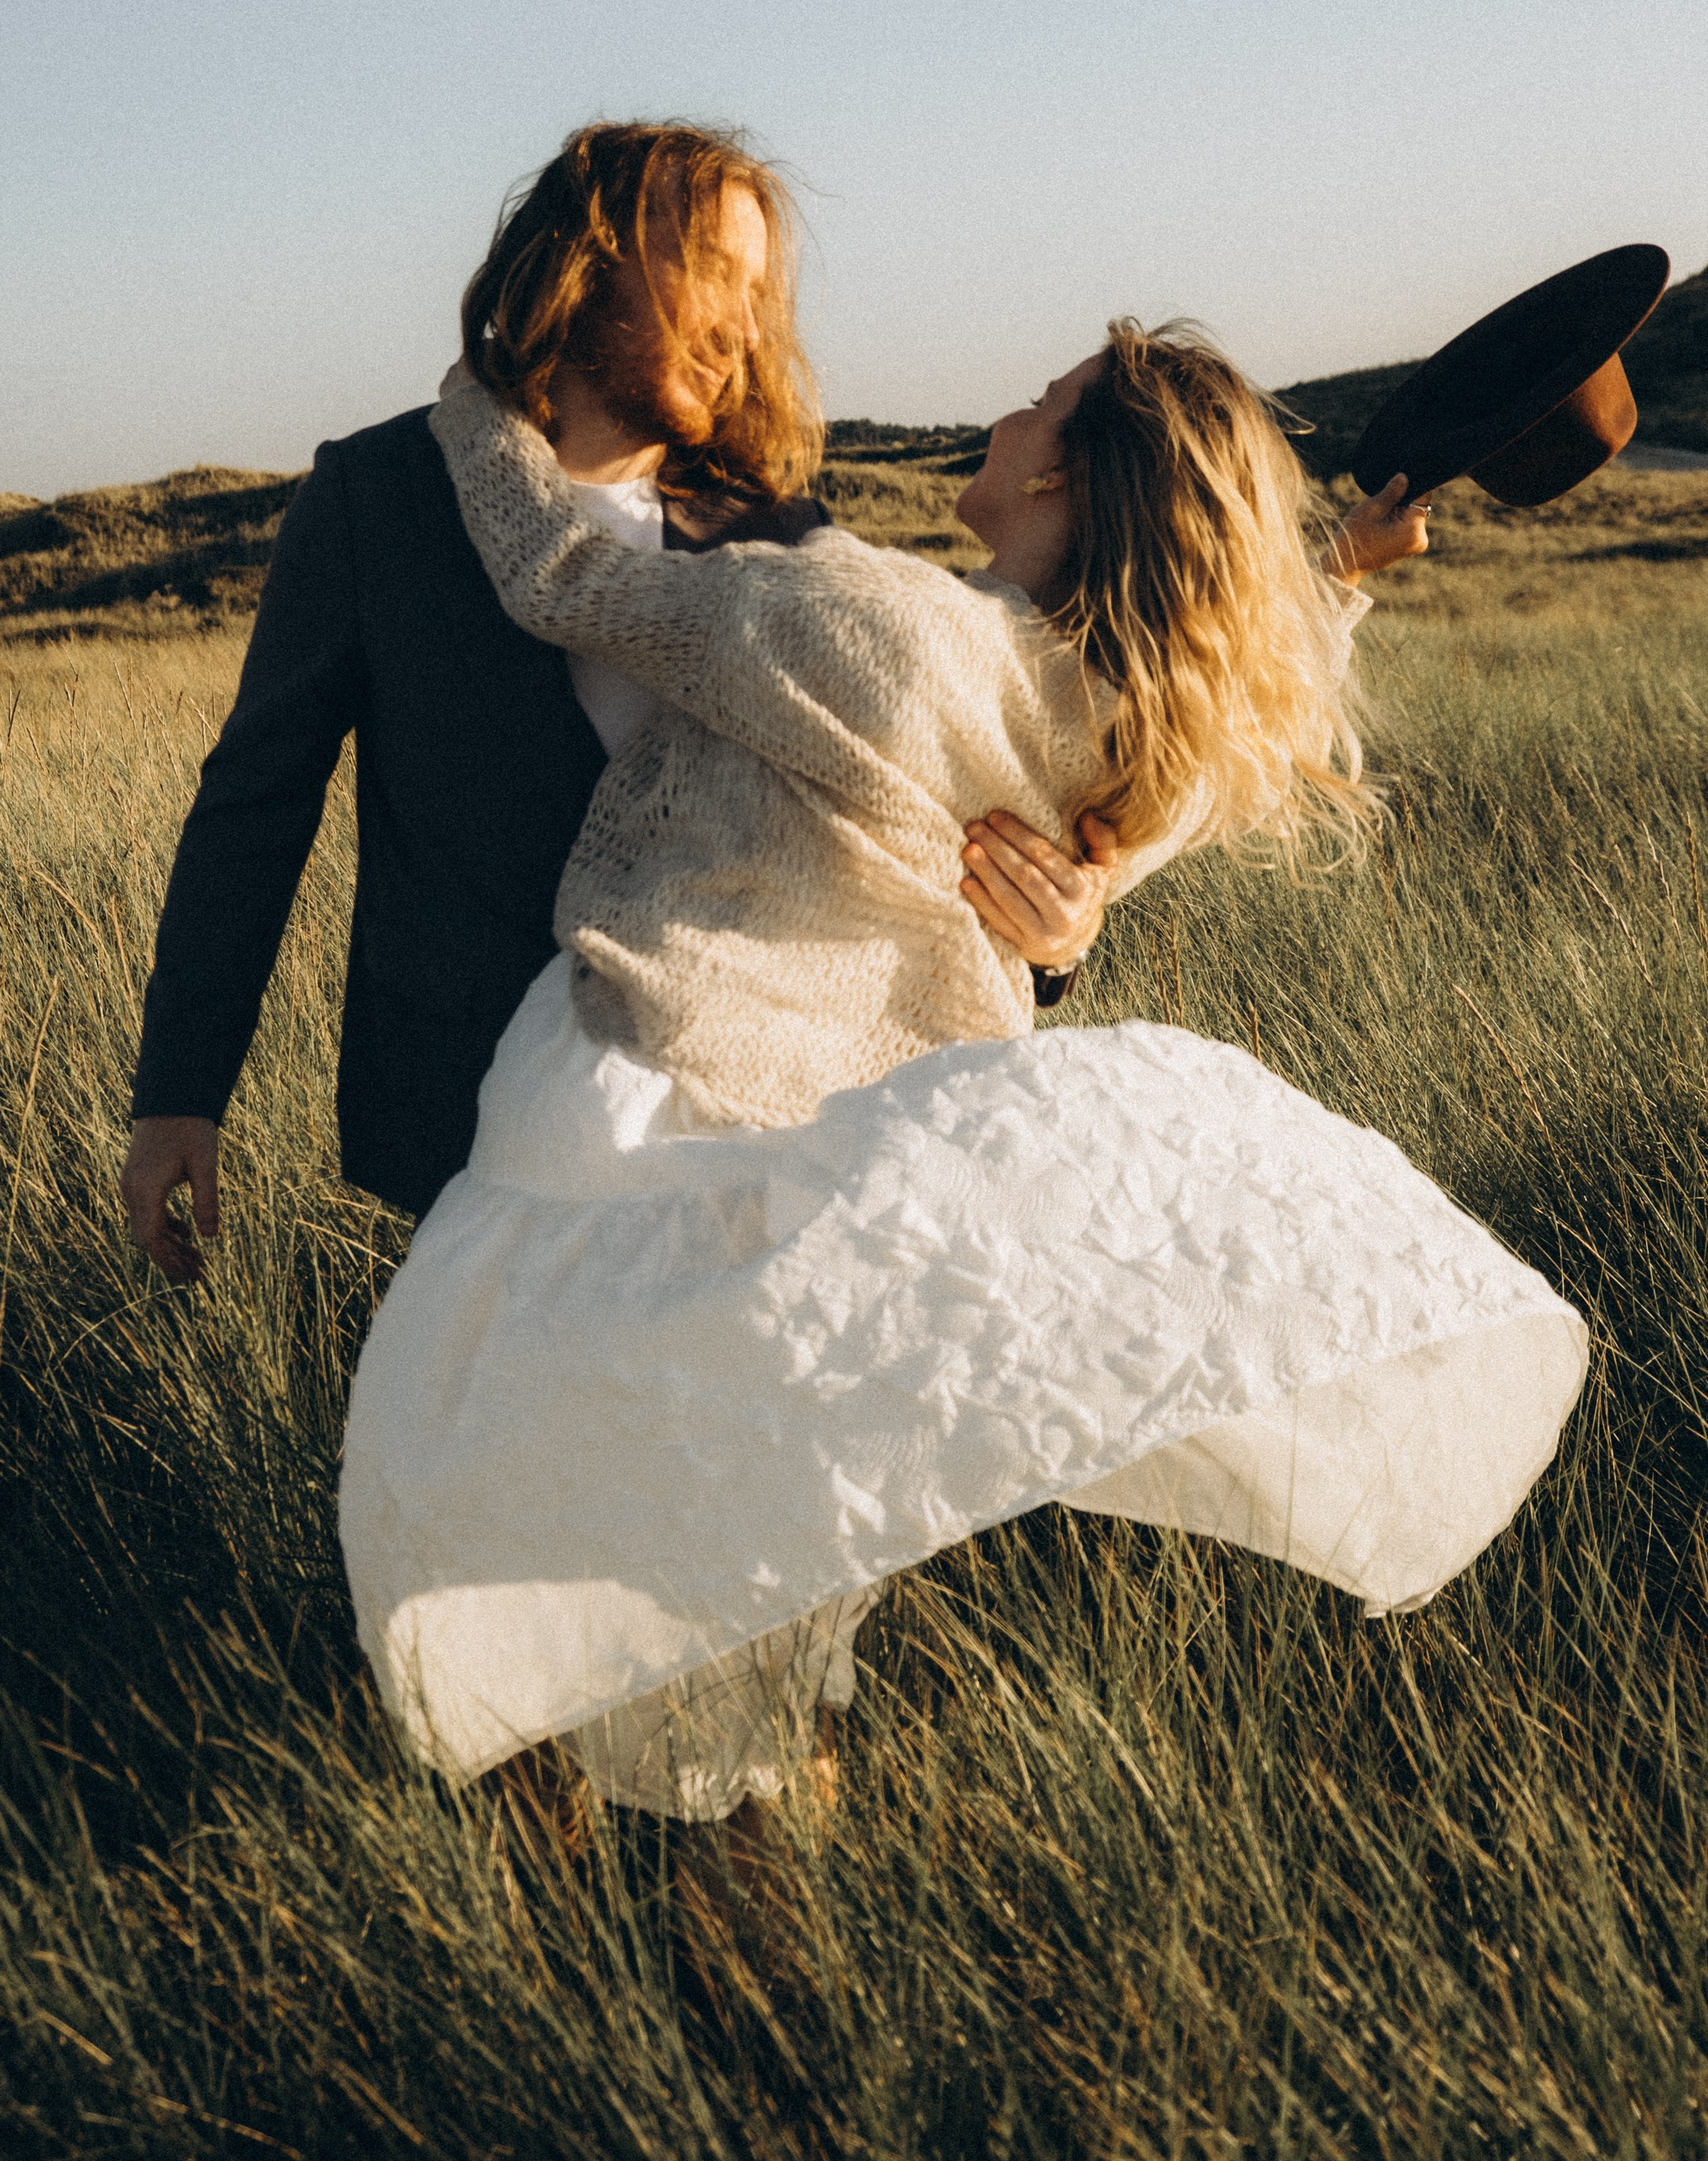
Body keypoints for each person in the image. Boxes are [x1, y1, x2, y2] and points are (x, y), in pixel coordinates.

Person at [337, 319, 1586, 1826]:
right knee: (756, 1618)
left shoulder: (869, 624)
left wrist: (480, 397)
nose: (1006, 410)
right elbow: (1213, 748)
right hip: (865, 1197)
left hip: (650, 1101)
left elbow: (566, 579)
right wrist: (1334, 583)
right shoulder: (1127, 715)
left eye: (1039, 401)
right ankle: (755, 1988)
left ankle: (553, 1952)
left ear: (1064, 471)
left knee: (509, 1527)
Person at [120, 123, 1112, 1271]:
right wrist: (179, 1093)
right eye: (714, 274)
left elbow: (937, 799)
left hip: (740, 1133)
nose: (746, 326)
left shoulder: (780, 536)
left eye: (761, 291)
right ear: (586, 262)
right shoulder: (376, 495)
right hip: (469, 1124)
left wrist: (1057, 937)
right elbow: (257, 801)